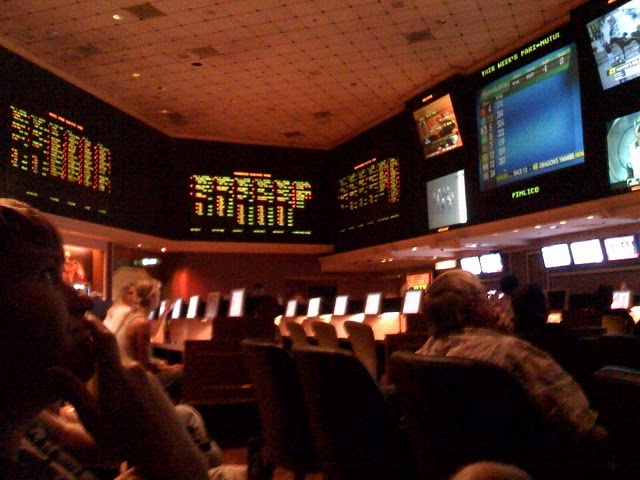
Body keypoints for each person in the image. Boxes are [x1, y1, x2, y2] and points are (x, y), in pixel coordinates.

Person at [0, 198, 209, 479]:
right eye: (47, 274)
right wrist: (174, 456)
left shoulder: (24, 425)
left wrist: (147, 444)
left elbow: (108, 450)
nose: (85, 301)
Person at [416, 270, 605, 445]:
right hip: (527, 461)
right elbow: (577, 422)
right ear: (475, 305)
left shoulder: (421, 356)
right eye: (486, 297)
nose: (492, 304)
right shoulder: (511, 352)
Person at [117, 278, 184, 401]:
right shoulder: (142, 323)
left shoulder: (130, 316)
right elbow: (144, 367)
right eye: (158, 294)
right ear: (153, 297)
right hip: (135, 385)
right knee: (181, 374)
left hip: (124, 379)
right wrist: (167, 368)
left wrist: (160, 365)